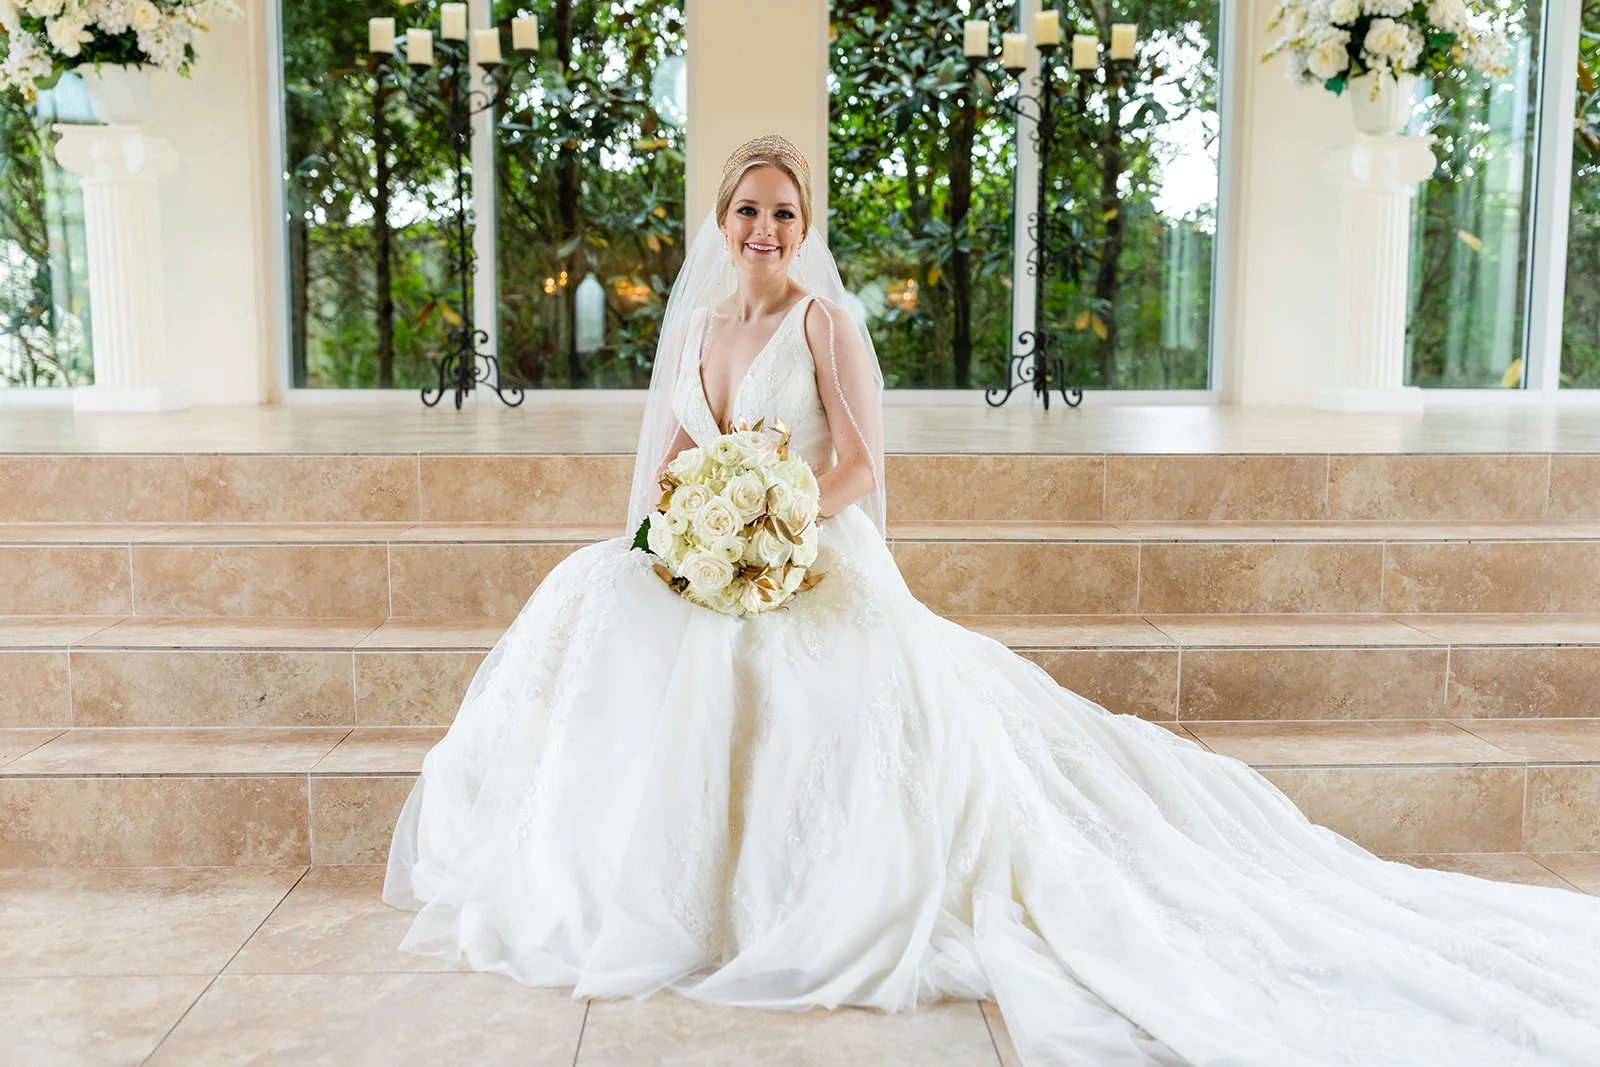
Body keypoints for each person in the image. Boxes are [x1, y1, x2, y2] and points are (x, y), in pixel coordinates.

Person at [385, 134, 1600, 1066]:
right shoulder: (696, 324)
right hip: (713, 554)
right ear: (723, 218)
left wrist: (773, 519)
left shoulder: (826, 320)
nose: (765, 225)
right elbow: (660, 464)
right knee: (598, 598)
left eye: (785, 212)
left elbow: (863, 464)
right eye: (749, 208)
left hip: (809, 548)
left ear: (806, 229)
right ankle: (612, 875)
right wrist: (690, 537)